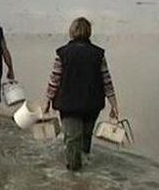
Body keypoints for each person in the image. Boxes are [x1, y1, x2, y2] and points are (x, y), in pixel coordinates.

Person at [43, 17, 119, 171]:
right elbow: (106, 80)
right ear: (89, 32)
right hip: (92, 104)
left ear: (71, 32)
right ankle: (84, 173)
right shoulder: (98, 54)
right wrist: (114, 104)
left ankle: (74, 175)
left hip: (68, 104)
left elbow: (55, 79)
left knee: (72, 139)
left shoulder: (62, 53)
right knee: (85, 138)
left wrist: (47, 100)